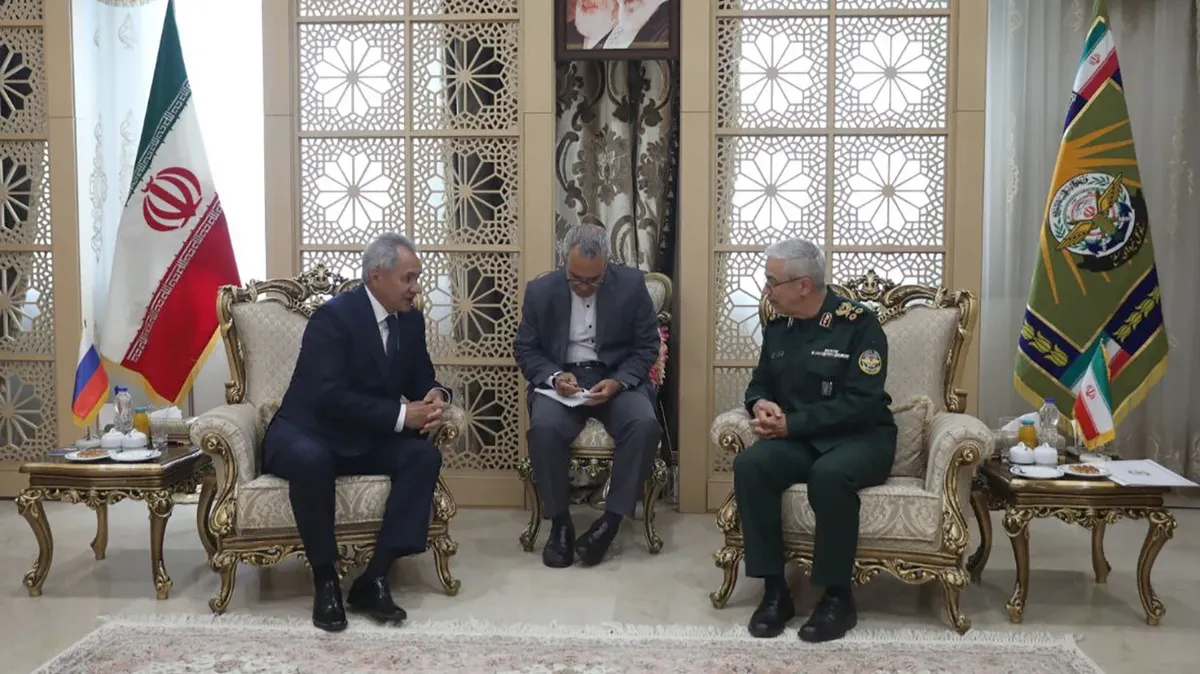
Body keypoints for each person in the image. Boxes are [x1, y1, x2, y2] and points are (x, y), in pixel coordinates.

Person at [262, 233, 451, 632]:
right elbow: (330, 396)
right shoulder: (333, 318)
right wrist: (402, 415)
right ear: (377, 276)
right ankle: (326, 579)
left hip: (364, 435)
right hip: (308, 431)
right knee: (312, 461)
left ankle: (375, 577)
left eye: (416, 278)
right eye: (408, 278)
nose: (416, 288)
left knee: (423, 456)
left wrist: (435, 394)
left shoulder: (410, 319)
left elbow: (420, 376)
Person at [732, 238, 896, 643]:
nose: (766, 290)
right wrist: (760, 404)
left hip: (860, 438)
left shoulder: (858, 325)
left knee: (830, 475)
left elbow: (861, 402)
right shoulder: (779, 326)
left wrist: (792, 424)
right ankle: (775, 592)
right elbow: (759, 383)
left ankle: (838, 598)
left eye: (772, 282)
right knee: (751, 465)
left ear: (803, 285)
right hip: (801, 438)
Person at [514, 224, 662, 568]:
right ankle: (561, 525)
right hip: (563, 378)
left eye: (593, 281)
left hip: (615, 378)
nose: (583, 288)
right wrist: (554, 377)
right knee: (545, 429)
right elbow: (526, 349)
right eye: (576, 279)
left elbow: (647, 346)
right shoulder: (540, 291)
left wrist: (619, 382)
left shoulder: (631, 286)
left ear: (607, 264)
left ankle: (609, 523)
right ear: (564, 261)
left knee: (643, 424)